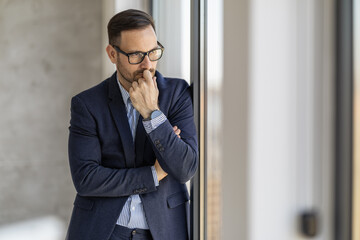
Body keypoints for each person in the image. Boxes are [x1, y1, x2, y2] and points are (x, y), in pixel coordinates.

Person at [66, 9, 199, 240]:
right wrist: (153, 174)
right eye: (136, 55)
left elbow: (185, 168)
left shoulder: (178, 94)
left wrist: (152, 113)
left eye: (153, 51)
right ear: (112, 54)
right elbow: (86, 179)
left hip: (164, 230)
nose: (147, 64)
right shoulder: (86, 105)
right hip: (103, 231)